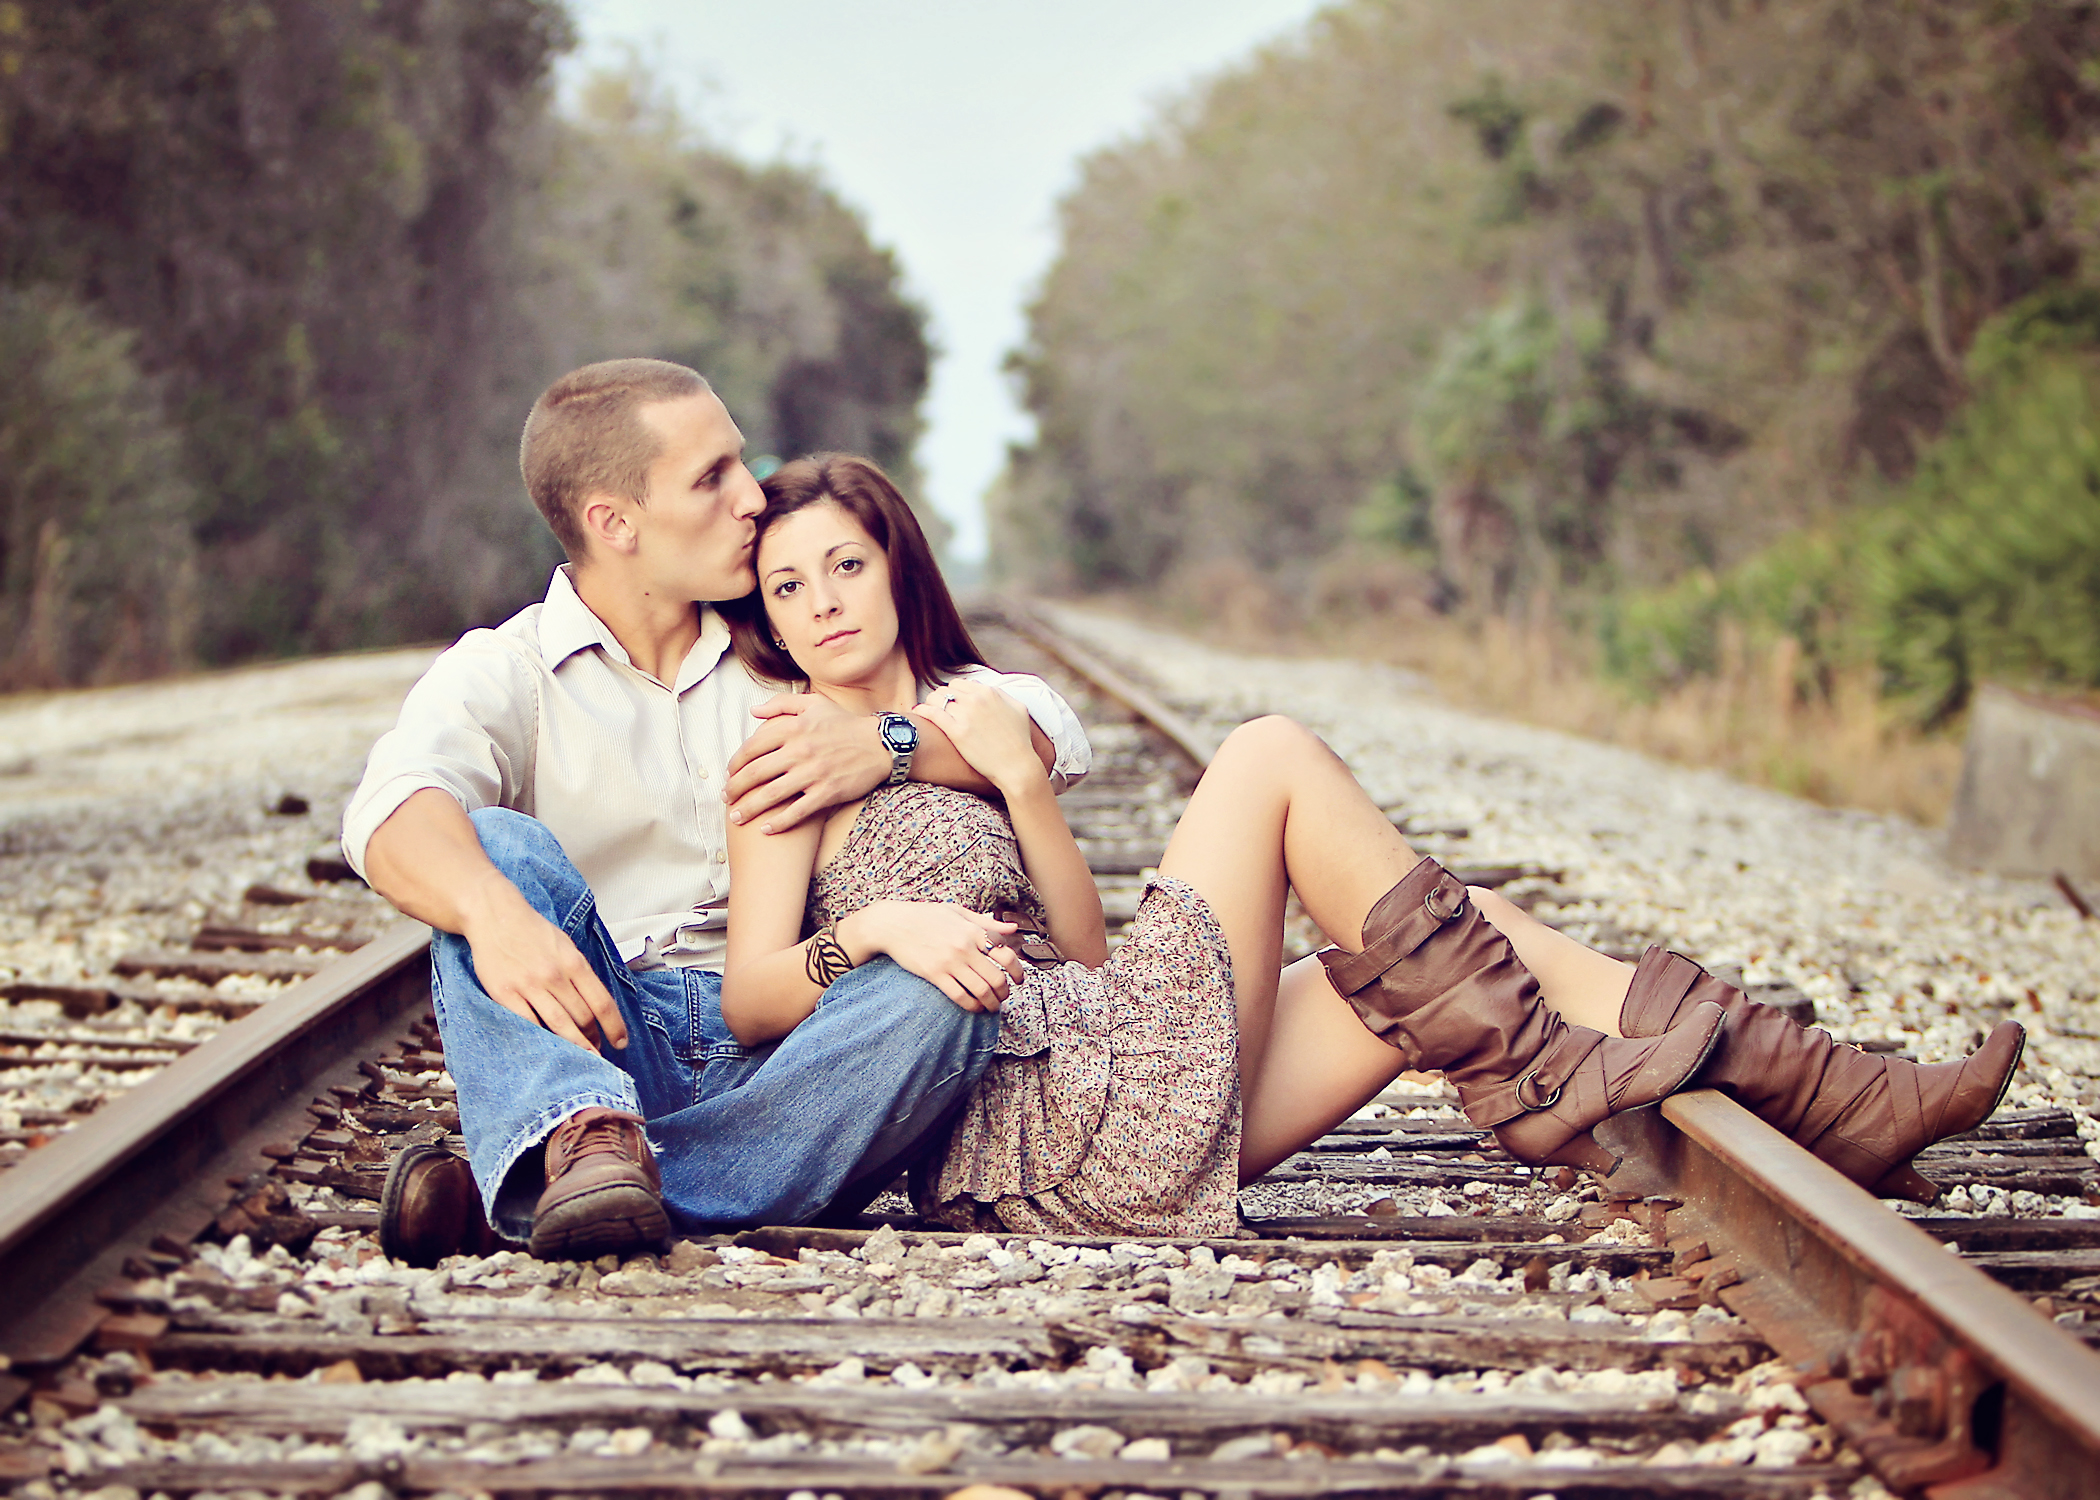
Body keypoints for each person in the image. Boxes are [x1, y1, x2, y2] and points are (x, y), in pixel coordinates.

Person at [725, 452, 2027, 1237]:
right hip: (1027, 1134)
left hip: (1105, 1066)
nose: (823, 602)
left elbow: (1075, 951)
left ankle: (1826, 1099)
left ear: (894, 562)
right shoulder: (780, 760)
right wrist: (876, 930)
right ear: (767, 619)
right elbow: (748, 999)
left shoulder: (979, 713)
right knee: (1270, 752)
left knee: (1477, 934)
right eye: (789, 586)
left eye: (843, 565)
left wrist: (1022, 779)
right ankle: (1670, 1093)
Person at [344, 359, 1093, 1263]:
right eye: (712, 478)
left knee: (955, 989)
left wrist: (888, 742)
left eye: (741, 463)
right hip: (604, 1031)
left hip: (802, 1044)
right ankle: (590, 1140)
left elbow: (1039, 725)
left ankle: (551, 1191)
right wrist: (492, 915)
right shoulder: (511, 671)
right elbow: (390, 812)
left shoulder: (785, 637)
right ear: (613, 522)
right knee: (489, 848)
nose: (751, 498)